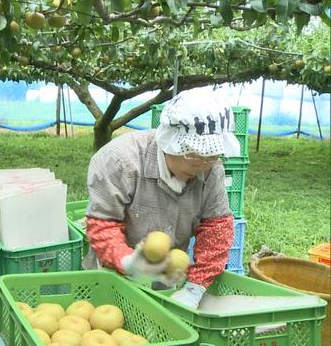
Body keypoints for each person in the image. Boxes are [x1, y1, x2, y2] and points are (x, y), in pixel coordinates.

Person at [84, 91, 240, 309]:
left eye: (211, 156)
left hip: (168, 284)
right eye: (193, 155)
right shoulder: (119, 160)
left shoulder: (211, 170)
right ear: (169, 142)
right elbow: (103, 224)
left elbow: (217, 229)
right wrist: (127, 261)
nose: (202, 165)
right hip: (111, 281)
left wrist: (195, 288)